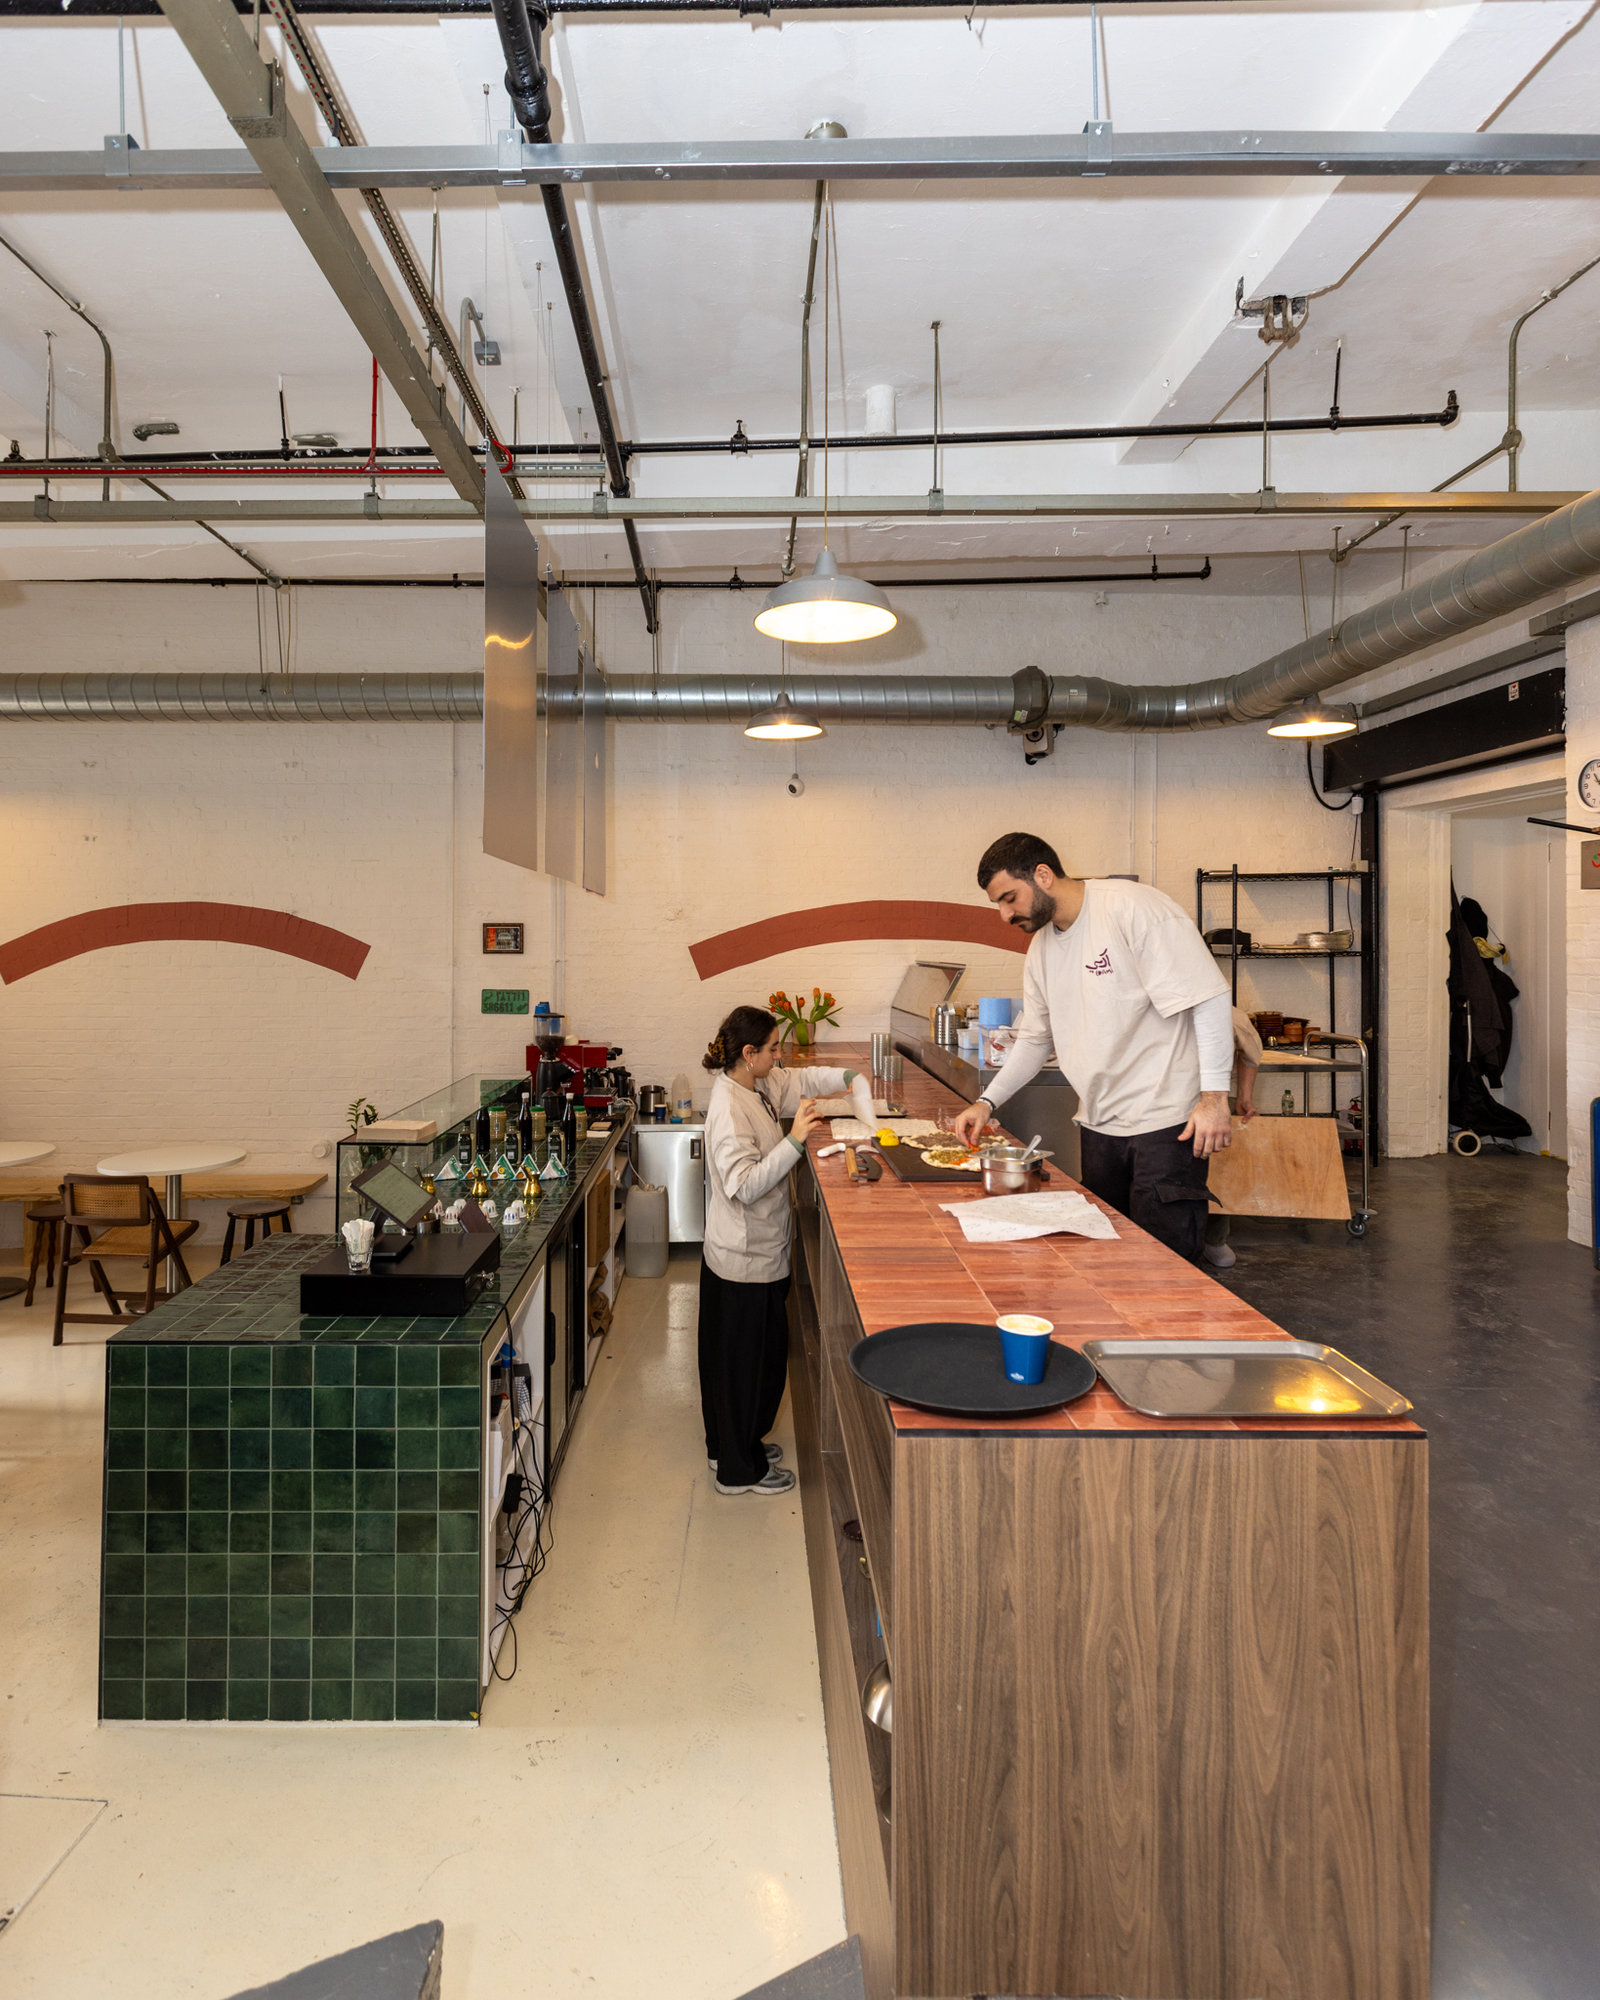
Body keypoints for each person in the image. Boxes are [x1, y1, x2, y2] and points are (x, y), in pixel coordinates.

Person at [950, 831, 1234, 1265]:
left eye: (1010, 898)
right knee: (1107, 1261)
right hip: (1100, 1127)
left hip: (1165, 1125)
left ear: (1042, 875)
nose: (1005, 915)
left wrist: (1215, 1097)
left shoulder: (1132, 908)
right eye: (999, 904)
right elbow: (1034, 1040)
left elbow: (1208, 997)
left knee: (1165, 1270)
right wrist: (986, 1103)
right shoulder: (1042, 949)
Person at [699, 1005, 874, 1495]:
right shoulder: (730, 1108)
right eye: (773, 1048)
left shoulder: (756, 1082)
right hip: (743, 1259)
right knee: (747, 1367)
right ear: (748, 1053)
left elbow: (800, 1078)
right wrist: (796, 1140)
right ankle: (740, 1470)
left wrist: (847, 1076)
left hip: (749, 1253)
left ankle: (731, 1445)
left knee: (735, 1364)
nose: (781, 1056)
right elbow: (745, 1184)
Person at [1202, 1007, 1262, 1270]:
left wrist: (1244, 1097)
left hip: (1210, 1101)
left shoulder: (1225, 1009)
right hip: (1159, 1102)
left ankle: (1214, 1240)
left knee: (1218, 1172)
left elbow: (1250, 1050)